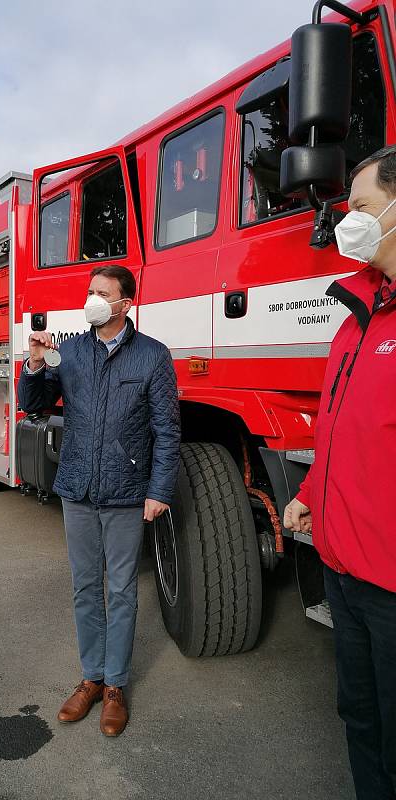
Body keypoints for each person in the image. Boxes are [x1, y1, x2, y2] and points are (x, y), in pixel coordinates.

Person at [18, 264, 180, 737]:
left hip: (128, 493)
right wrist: (33, 365)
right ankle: (91, 678)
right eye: (90, 291)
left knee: (122, 591)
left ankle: (115, 687)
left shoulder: (152, 356)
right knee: (86, 588)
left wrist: (159, 490)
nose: (92, 299)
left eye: (102, 293)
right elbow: (35, 404)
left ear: (125, 304)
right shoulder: (68, 352)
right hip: (78, 489)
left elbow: (167, 431)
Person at [284, 146, 396, 800]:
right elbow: (338, 435)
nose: (344, 223)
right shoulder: (353, 322)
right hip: (346, 575)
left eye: (358, 207)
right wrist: (305, 495)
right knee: (359, 721)